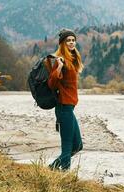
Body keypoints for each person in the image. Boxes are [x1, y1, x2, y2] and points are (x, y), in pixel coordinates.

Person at [47, 28, 84, 171]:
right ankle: (64, 175)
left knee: (78, 145)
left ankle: (52, 168)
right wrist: (58, 68)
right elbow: (51, 83)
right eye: (68, 40)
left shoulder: (73, 59)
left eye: (73, 40)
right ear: (62, 43)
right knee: (67, 148)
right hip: (63, 107)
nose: (71, 42)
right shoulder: (60, 60)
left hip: (69, 108)